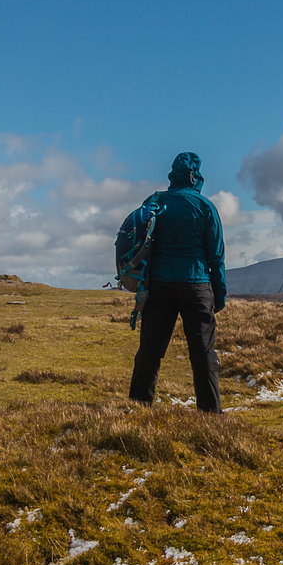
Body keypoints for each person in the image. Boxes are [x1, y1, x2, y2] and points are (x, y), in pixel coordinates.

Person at [122, 152, 226, 412]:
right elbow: (216, 256)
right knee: (203, 354)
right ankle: (210, 414)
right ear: (195, 176)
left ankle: (139, 406)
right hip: (197, 285)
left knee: (150, 351)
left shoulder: (156, 201)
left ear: (173, 175)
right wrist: (220, 294)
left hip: (159, 286)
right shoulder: (205, 207)